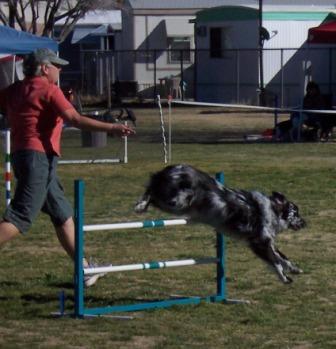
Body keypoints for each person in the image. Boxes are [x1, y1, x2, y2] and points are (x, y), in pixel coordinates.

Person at [0, 48, 135, 287]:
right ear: (44, 67)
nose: (59, 70)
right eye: (56, 65)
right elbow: (75, 120)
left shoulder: (13, 90)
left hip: (25, 157)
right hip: (38, 159)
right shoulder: (49, 90)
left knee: (62, 214)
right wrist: (112, 128)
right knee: (20, 218)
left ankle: (83, 269)